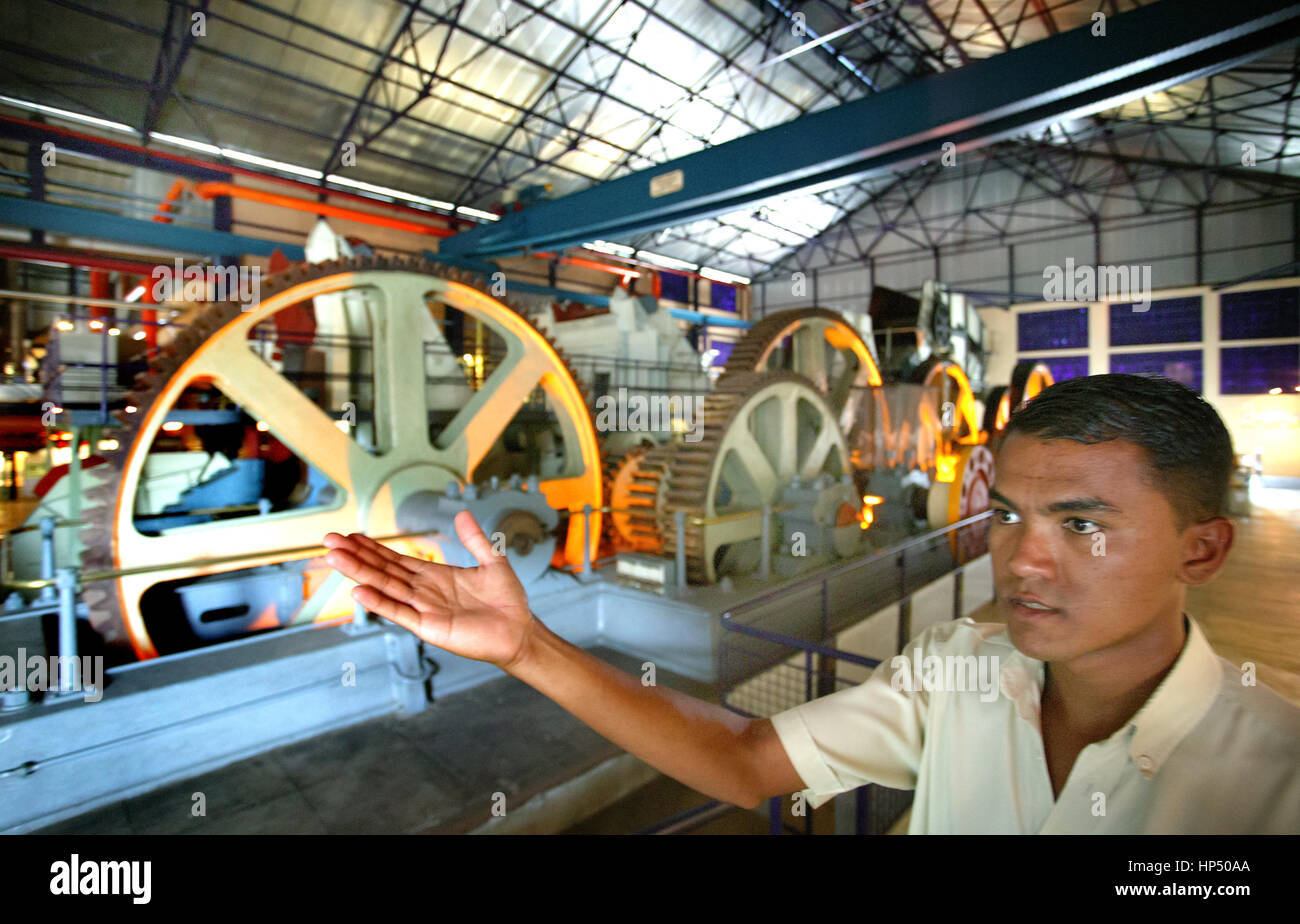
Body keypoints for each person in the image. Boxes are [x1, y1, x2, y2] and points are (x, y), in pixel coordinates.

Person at [322, 373, 1300, 833]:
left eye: (1082, 524)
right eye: (1006, 513)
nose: (1023, 560)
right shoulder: (953, 670)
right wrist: (527, 646)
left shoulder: (1275, 780)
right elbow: (748, 763)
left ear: (1202, 548)